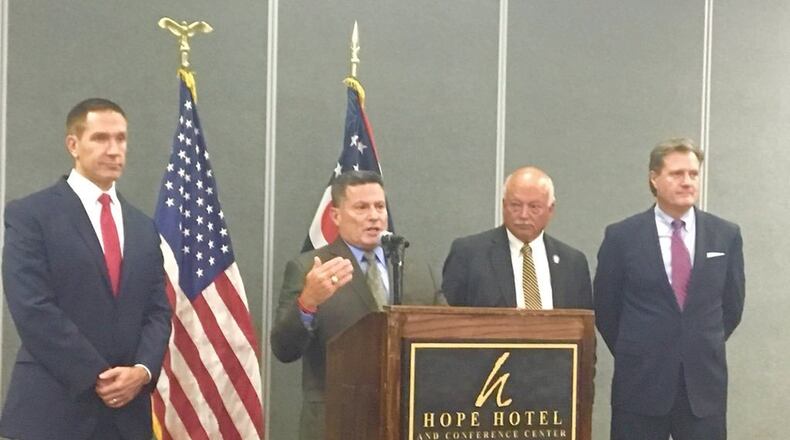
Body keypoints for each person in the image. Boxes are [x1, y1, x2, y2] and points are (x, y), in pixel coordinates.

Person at [0, 98, 172, 440]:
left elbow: (158, 309)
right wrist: (99, 376)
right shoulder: (31, 215)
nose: (113, 150)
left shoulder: (142, 227)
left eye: (121, 139)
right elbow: (32, 307)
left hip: (127, 417)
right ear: (73, 145)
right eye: (101, 138)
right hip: (53, 410)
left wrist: (141, 371)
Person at [271, 170, 445, 440]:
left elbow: (446, 336)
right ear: (336, 216)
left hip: (407, 420)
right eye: (361, 208)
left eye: (379, 206)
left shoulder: (417, 270)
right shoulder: (309, 268)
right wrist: (308, 302)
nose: (374, 216)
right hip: (337, 422)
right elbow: (284, 348)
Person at [594, 138, 745, 440]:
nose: (687, 181)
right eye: (677, 174)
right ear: (654, 178)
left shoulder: (725, 235)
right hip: (640, 385)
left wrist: (694, 342)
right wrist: (640, 347)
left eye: (693, 173)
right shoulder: (622, 236)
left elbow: (732, 306)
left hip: (703, 386)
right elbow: (606, 308)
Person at [442, 166, 592, 309]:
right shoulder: (469, 254)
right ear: (503, 205)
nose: (523, 215)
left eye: (534, 207)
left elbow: (583, 326)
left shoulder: (573, 263)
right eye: (515, 205)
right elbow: (449, 319)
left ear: (550, 209)